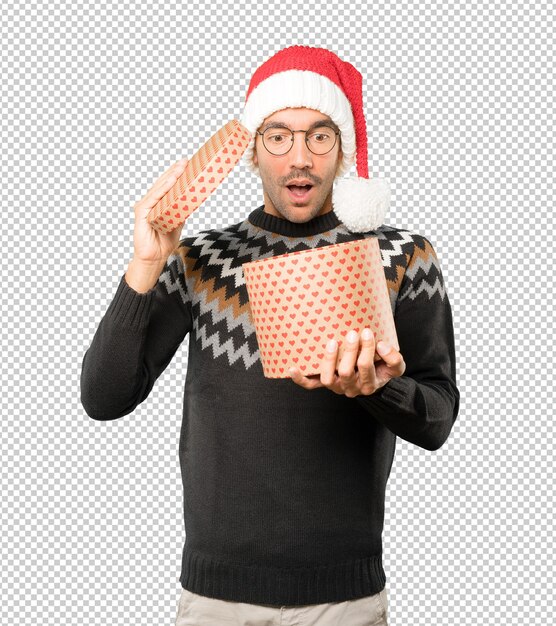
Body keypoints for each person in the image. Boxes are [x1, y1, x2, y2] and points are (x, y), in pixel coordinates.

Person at [80, 45, 459, 626]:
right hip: (215, 599)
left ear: (343, 150)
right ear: (253, 151)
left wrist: (374, 388)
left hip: (346, 598)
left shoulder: (398, 255)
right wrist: (145, 266)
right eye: (278, 136)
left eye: (320, 136)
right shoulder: (201, 258)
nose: (299, 159)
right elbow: (105, 398)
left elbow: (436, 420)